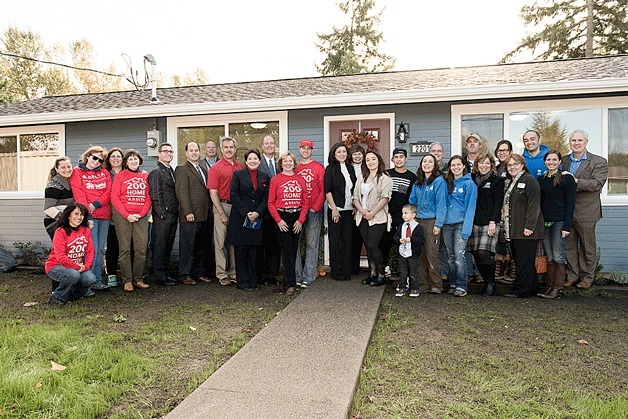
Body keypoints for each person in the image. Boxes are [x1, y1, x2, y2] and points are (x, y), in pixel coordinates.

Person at [561, 129, 608, 289]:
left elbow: (597, 184)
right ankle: (572, 276)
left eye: (580, 140)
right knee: (569, 246)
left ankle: (587, 277)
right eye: (573, 140)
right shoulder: (564, 161)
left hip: (587, 210)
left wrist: (576, 181)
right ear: (570, 142)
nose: (576, 143)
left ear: (586, 142)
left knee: (588, 246)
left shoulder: (598, 161)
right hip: (567, 211)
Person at [502, 154, 544, 298]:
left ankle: (520, 289)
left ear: (522, 165)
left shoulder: (529, 181)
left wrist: (529, 226)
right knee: (522, 260)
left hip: (526, 229)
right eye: (509, 165)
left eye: (515, 164)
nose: (512, 167)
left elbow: (534, 205)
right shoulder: (510, 182)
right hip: (514, 229)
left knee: (523, 261)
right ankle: (533, 287)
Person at [227, 148, 270, 291]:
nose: (253, 161)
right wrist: (247, 213)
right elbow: (234, 195)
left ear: (259, 160)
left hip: (257, 219)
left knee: (254, 251)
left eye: (255, 158)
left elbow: (265, 198)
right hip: (240, 219)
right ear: (246, 161)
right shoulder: (238, 175)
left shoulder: (264, 176)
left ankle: (253, 281)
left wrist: (257, 212)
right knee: (241, 251)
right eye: (250, 158)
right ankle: (243, 282)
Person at [70, 145, 111, 290]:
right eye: (94, 158)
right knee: (90, 249)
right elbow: (79, 193)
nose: (97, 161)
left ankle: (97, 280)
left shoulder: (104, 172)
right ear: (88, 156)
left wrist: (97, 203)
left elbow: (108, 191)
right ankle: (88, 281)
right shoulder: (77, 172)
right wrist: (88, 211)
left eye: (100, 160)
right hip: (88, 217)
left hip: (104, 215)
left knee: (100, 249)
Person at [267, 152, 309, 295]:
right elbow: (270, 203)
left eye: (290, 161)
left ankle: (287, 282)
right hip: (282, 216)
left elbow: (305, 202)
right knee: (287, 249)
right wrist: (278, 220)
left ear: (294, 163)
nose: (288, 163)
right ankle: (291, 284)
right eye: (285, 161)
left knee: (293, 249)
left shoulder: (300, 179)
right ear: (281, 164)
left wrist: (300, 220)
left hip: (296, 216)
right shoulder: (275, 180)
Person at [111, 149, 152, 292]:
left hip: (141, 216)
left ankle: (138, 279)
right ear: (126, 162)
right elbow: (114, 197)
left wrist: (141, 214)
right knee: (125, 249)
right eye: (130, 159)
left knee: (141, 248)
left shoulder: (145, 176)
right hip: (123, 216)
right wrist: (126, 214)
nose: (133, 161)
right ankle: (127, 280)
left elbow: (148, 197)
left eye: (136, 159)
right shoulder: (120, 176)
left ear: (139, 160)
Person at [538, 150, 576, 299]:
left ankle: (557, 289)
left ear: (560, 162)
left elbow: (571, 203)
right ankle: (550, 286)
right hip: (545, 223)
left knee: (558, 255)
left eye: (554, 160)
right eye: (548, 160)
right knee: (549, 256)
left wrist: (567, 226)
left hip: (559, 222)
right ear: (545, 162)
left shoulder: (566, 179)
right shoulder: (541, 180)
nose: (551, 162)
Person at [207, 137, 244, 286]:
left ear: (235, 149)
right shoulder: (216, 168)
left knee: (234, 242)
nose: (229, 149)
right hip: (221, 206)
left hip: (237, 208)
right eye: (226, 147)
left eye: (231, 147)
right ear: (222, 149)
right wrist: (221, 212)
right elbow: (213, 192)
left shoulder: (240, 167)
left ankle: (234, 273)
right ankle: (222, 274)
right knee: (220, 242)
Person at [352, 150, 392, 287]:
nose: (370, 162)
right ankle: (373, 273)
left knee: (373, 245)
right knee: (368, 247)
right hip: (362, 216)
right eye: (368, 160)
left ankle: (382, 274)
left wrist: (372, 212)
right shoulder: (362, 177)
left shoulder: (385, 179)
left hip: (377, 217)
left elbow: (385, 198)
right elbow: (355, 197)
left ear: (379, 161)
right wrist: (363, 211)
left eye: (373, 159)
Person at [409, 154, 447, 294]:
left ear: (435, 165)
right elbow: (412, 201)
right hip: (418, 221)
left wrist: (438, 224)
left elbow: (441, 204)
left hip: (432, 221)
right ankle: (422, 284)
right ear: (421, 164)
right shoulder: (417, 182)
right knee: (419, 254)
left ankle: (436, 284)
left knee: (432, 253)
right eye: (424, 161)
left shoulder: (439, 182)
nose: (427, 164)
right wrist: (411, 221)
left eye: (430, 162)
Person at [45, 203, 97, 305]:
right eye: (76, 214)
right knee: (73, 275)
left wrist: (86, 266)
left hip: (77, 266)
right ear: (69, 216)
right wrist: (77, 267)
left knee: (90, 278)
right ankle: (57, 297)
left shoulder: (85, 230)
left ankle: (73, 295)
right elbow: (60, 256)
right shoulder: (60, 231)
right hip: (56, 266)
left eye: (81, 215)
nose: (79, 217)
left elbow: (90, 251)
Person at [467, 153, 504, 296]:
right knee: (476, 253)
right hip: (473, 222)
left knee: (484, 252)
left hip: (489, 223)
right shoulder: (471, 179)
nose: (484, 166)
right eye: (481, 163)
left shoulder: (497, 181)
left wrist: (493, 222)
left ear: (491, 165)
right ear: (476, 165)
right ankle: (487, 282)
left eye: (487, 163)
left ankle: (491, 283)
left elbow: (497, 203)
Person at [175, 142, 211, 285]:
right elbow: (181, 192)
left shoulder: (203, 169)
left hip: (204, 214)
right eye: (191, 150)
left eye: (196, 150)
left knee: (201, 246)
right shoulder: (182, 169)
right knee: (188, 247)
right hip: (190, 215)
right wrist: (188, 211)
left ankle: (199, 272)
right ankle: (185, 274)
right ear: (186, 153)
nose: (194, 153)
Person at [442, 155, 478, 297]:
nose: (456, 167)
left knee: (459, 255)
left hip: (460, 224)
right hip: (446, 224)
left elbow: (471, 208)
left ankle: (462, 285)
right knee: (450, 255)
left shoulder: (469, 184)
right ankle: (453, 283)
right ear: (450, 168)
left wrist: (466, 229)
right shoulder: (447, 183)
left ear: (464, 166)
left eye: (458, 165)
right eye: (453, 165)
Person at [381, 148, 416, 281]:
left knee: (402, 244)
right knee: (384, 242)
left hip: (403, 217)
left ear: (406, 159)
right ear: (392, 159)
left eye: (401, 157)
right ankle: (385, 269)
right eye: (396, 157)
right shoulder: (387, 174)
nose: (399, 159)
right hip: (387, 215)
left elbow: (412, 198)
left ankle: (403, 273)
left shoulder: (411, 177)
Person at [294, 139, 325, 288]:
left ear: (312, 151)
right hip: (297, 211)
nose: (305, 150)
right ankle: (297, 275)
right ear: (299, 150)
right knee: (296, 244)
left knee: (312, 244)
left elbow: (323, 189)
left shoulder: (318, 168)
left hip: (313, 211)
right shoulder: (294, 167)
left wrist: (316, 207)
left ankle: (309, 276)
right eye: (303, 148)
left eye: (308, 148)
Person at [324, 142, 357, 281]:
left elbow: (355, 189)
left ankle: (346, 270)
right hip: (335, 210)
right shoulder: (330, 169)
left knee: (347, 241)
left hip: (349, 210)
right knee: (335, 241)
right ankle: (336, 271)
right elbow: (328, 190)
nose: (342, 154)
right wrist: (334, 209)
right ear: (334, 154)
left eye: (344, 151)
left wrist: (356, 206)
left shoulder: (350, 168)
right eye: (339, 152)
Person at [148, 143, 179, 286]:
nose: (168, 154)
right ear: (159, 154)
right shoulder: (156, 171)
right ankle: (159, 276)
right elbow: (155, 194)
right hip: (163, 216)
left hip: (173, 214)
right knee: (159, 246)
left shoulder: (170, 170)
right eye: (165, 151)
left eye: (171, 151)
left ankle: (166, 274)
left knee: (167, 245)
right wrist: (162, 213)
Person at [256, 135, 281, 286]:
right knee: (262, 244)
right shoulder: (258, 163)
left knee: (275, 245)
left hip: (278, 211)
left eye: (271, 143)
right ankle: (261, 275)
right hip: (263, 211)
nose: (269, 145)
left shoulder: (280, 163)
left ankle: (272, 274)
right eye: (266, 143)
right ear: (262, 146)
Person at [494, 140, 516, 282]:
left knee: (511, 241)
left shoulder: (513, 169)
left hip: (512, 211)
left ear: (510, 152)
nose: (502, 153)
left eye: (505, 150)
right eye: (500, 150)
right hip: (498, 210)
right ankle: (500, 270)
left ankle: (512, 271)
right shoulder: (495, 169)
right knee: (500, 241)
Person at [393, 204, 426, 298]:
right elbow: (396, 236)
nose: (403, 215)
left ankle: (415, 287)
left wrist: (411, 239)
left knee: (413, 271)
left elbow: (422, 240)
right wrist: (399, 240)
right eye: (402, 213)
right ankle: (402, 287)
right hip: (402, 252)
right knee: (403, 271)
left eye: (406, 213)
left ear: (413, 215)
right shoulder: (402, 226)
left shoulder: (418, 227)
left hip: (413, 253)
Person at [103, 147, 124, 287]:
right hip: (110, 217)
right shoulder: (105, 174)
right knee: (112, 247)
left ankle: (129, 275)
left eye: (118, 156)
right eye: (113, 157)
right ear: (109, 160)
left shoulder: (129, 173)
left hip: (126, 216)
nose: (116, 159)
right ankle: (111, 274)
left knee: (128, 247)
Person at [44, 156, 74, 240]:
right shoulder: (53, 185)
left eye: (68, 166)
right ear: (57, 169)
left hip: (69, 222)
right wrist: (66, 220)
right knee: (61, 250)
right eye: (63, 167)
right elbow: (48, 208)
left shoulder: (71, 181)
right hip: (55, 223)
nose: (67, 170)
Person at [348, 144, 366, 275]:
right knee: (353, 238)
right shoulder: (348, 169)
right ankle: (353, 267)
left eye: (360, 153)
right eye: (355, 154)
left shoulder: (367, 168)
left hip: (366, 208)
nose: (357, 156)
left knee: (365, 237)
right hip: (351, 207)